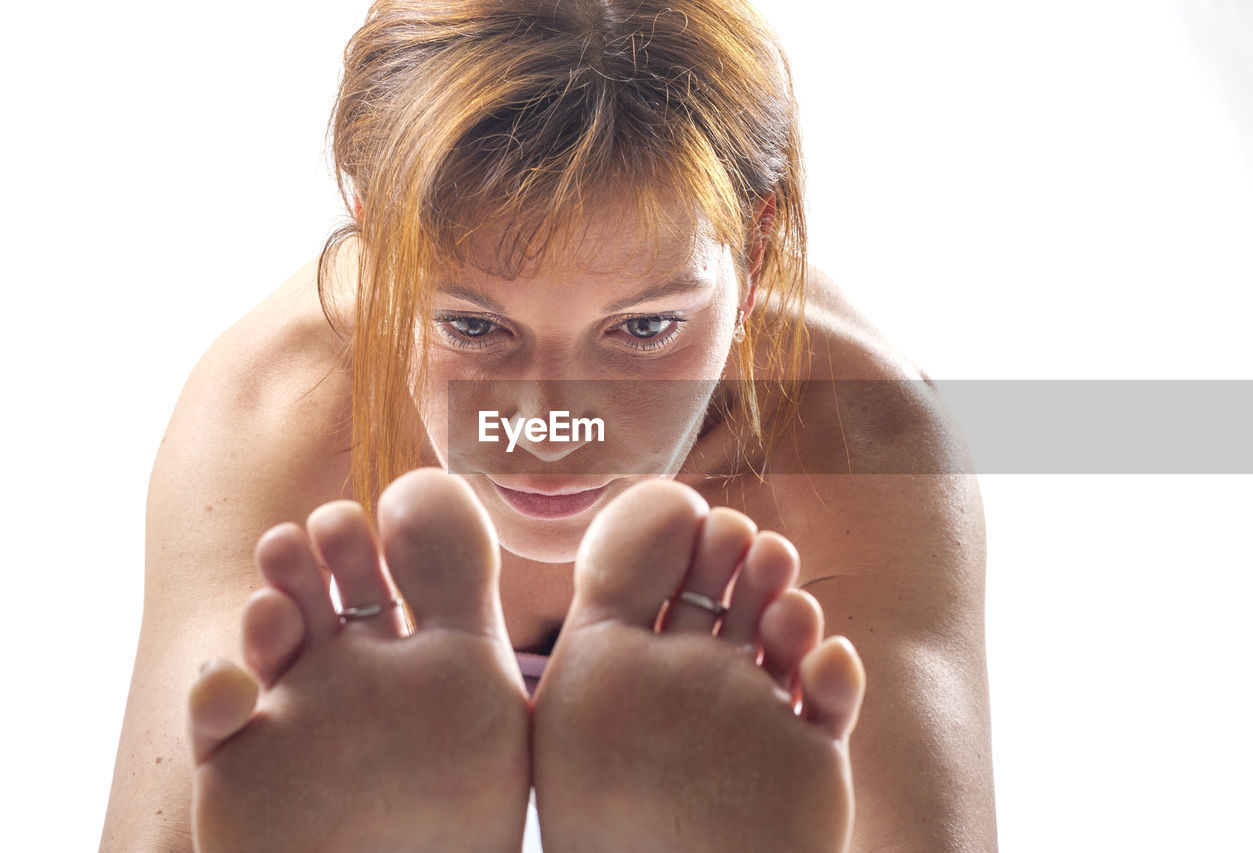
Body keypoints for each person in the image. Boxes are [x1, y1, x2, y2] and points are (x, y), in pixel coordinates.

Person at [100, 0, 996, 849]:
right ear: (375, 249)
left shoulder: (862, 443)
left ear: (755, 258)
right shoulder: (272, 417)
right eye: (475, 327)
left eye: (645, 328)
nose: (551, 426)